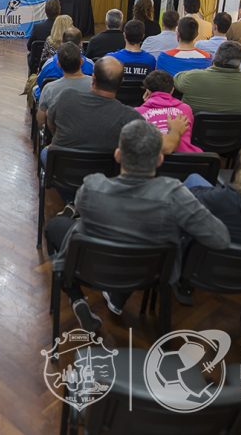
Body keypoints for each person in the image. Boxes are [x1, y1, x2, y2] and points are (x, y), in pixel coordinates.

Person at [44, 120, 229, 330]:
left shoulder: (92, 187)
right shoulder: (176, 195)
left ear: (117, 155)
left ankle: (77, 298)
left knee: (56, 226)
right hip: (151, 275)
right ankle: (116, 294)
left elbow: (80, 207)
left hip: (92, 268)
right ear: (160, 159)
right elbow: (219, 238)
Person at [174, 41, 241, 113]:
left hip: (194, 128)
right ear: (240, 61)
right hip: (236, 129)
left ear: (216, 56)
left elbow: (176, 77)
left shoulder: (193, 77)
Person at [135, 70, 201, 153]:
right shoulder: (186, 108)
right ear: (172, 90)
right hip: (185, 160)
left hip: (151, 160)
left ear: (147, 92)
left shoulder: (136, 112)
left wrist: (145, 104)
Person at [37, 42, 92, 130]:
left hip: (58, 136)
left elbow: (41, 122)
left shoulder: (49, 88)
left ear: (59, 64)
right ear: (81, 62)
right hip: (89, 132)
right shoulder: (95, 85)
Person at [33, 27, 94, 100]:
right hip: (83, 102)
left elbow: (40, 83)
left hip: (52, 102)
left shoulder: (49, 63)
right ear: (81, 43)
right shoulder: (90, 65)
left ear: (62, 42)